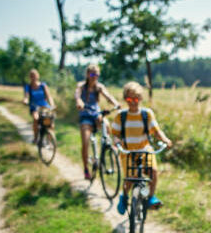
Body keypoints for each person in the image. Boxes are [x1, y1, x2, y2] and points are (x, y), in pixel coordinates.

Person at [111, 81, 172, 215]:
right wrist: (116, 142)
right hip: (128, 151)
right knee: (130, 178)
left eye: (136, 98)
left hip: (145, 149)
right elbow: (115, 134)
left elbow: (156, 131)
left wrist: (165, 140)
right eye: (129, 99)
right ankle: (124, 196)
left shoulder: (147, 114)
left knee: (153, 172)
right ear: (125, 99)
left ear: (141, 98)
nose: (133, 102)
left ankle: (150, 197)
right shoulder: (121, 116)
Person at [74, 64, 121, 180]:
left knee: (106, 123)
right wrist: (79, 102)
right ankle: (86, 168)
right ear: (87, 75)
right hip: (85, 115)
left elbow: (108, 96)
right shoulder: (81, 86)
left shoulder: (99, 87)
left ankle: (110, 145)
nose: (95, 77)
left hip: (96, 114)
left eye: (97, 74)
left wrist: (116, 104)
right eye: (92, 74)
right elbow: (77, 96)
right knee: (85, 141)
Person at [22, 69, 56, 144]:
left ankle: (49, 141)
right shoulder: (28, 87)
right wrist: (25, 100)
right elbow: (26, 96)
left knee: (50, 123)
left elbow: (49, 96)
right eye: (31, 76)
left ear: (38, 76)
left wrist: (52, 105)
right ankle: (35, 137)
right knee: (36, 118)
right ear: (30, 77)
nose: (33, 77)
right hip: (34, 107)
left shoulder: (43, 85)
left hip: (44, 107)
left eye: (34, 75)